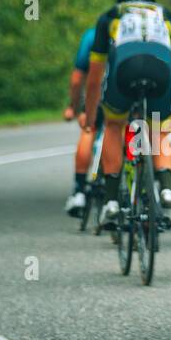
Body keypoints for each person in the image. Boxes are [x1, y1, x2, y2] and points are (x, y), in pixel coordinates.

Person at [82, 0, 171, 227]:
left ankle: (112, 201)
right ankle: (167, 190)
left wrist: (91, 113)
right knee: (159, 129)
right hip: (162, 71)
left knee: (114, 127)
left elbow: (94, 76)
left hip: (125, 70)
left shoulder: (111, 15)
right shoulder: (167, 16)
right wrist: (170, 111)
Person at [63, 26, 101, 216]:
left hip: (100, 93)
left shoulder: (94, 34)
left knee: (89, 128)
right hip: (131, 92)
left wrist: (73, 106)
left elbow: (78, 79)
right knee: (131, 128)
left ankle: (79, 191)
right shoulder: (148, 29)